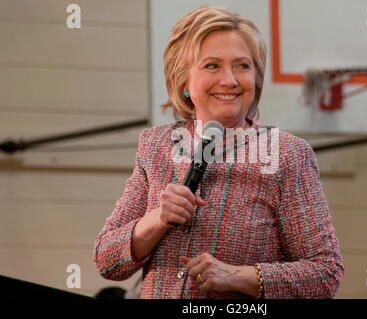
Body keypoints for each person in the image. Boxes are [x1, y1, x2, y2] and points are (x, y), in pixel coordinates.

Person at [93, 5, 344, 299]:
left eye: (242, 66)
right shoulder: (156, 145)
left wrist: (238, 276)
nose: (230, 80)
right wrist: (158, 218)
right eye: (212, 66)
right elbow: (107, 261)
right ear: (184, 81)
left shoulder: (287, 154)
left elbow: (325, 274)